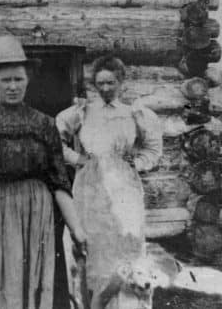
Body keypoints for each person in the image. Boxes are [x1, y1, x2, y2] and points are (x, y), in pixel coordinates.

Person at [0, 35, 86, 309]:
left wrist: (77, 230)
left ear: (28, 80)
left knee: (37, 284)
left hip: (37, 213)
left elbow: (58, 182)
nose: (12, 86)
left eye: (18, 79)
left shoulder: (44, 124)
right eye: (6, 80)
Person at [56, 55, 162, 308]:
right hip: (90, 187)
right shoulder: (82, 111)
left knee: (125, 243)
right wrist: (77, 158)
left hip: (124, 187)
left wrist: (136, 163)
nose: (104, 88)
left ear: (121, 82)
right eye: (100, 83)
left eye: (110, 83)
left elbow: (154, 149)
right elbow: (53, 138)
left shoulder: (134, 114)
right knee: (91, 245)